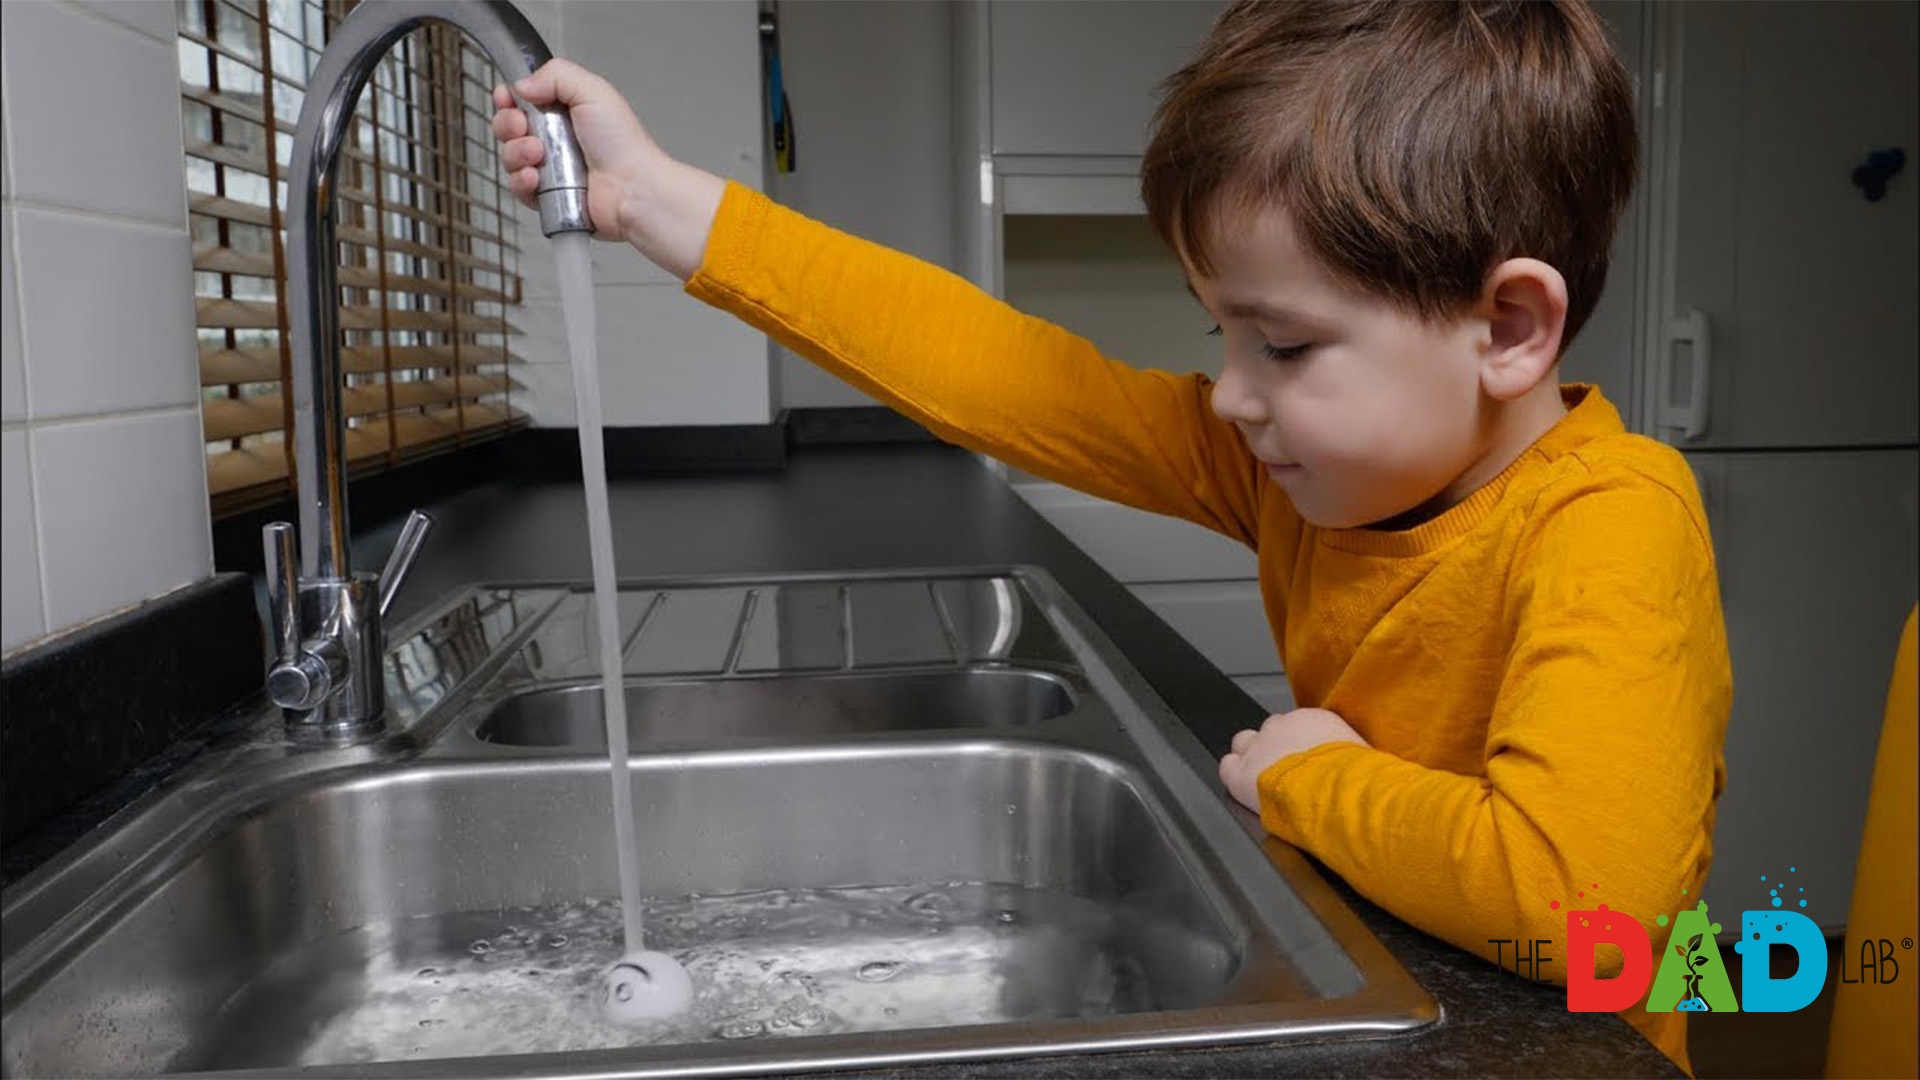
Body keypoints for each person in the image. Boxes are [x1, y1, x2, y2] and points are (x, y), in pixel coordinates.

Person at [492, 1, 1730, 1071]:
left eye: (1284, 346)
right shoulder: (1307, 474)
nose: (1237, 397)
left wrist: (1313, 780)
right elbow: (1012, 374)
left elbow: (1588, 914)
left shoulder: (1610, 522)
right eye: (1221, 341)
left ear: (1509, 326)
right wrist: (657, 201)